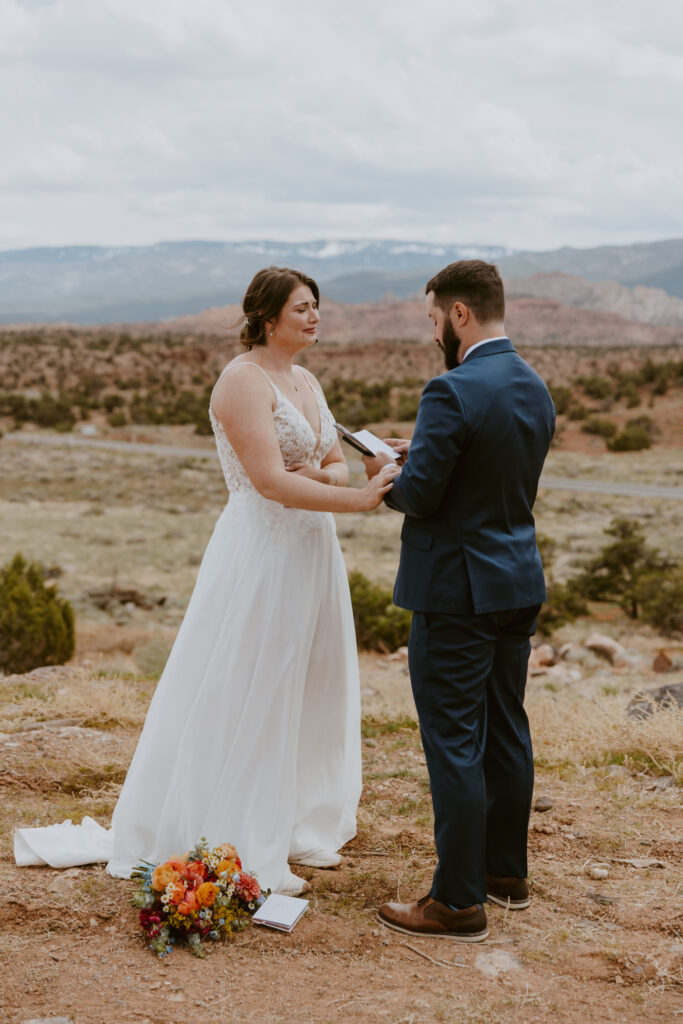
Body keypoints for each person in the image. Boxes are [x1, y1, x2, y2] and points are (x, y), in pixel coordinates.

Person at [14, 266, 399, 897]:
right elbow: (272, 482)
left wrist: (328, 480)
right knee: (253, 679)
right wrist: (354, 500)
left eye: (317, 307)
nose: (314, 317)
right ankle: (241, 832)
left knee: (310, 679)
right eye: (301, 308)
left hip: (311, 549)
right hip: (262, 552)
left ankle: (296, 819)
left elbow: (328, 463)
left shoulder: (305, 380)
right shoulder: (240, 381)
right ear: (267, 316)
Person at [363, 260, 555, 941]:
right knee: (505, 727)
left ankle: (456, 900)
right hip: (516, 580)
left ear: (459, 315)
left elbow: (425, 497)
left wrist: (389, 472)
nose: (433, 331)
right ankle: (505, 874)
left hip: (456, 592)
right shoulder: (532, 385)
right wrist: (426, 452)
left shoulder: (449, 390)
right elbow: (494, 471)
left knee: (452, 741)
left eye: (432, 318)